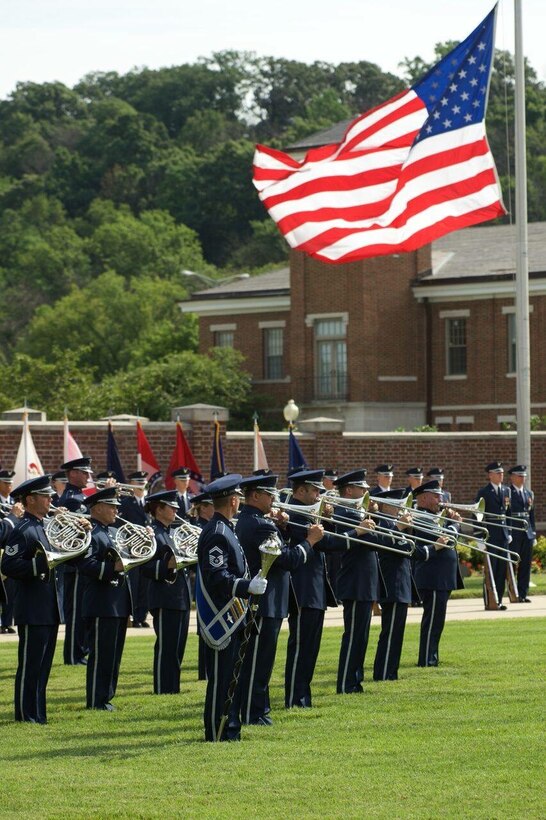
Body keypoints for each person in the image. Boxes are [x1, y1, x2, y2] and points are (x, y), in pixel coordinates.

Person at [235, 471, 323, 725]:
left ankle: (257, 709)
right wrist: (310, 541)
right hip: (266, 601)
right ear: (255, 496)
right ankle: (255, 713)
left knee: (260, 661)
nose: (274, 497)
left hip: (267, 600)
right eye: (269, 493)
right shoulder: (260, 524)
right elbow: (287, 559)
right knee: (259, 662)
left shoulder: (255, 521)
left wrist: (282, 528)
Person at [195, 474, 268, 742]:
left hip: (235, 616)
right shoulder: (217, 533)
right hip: (221, 617)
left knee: (232, 678)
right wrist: (246, 585)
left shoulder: (226, 529)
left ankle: (231, 728)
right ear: (235, 501)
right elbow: (217, 578)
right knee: (222, 680)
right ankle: (218, 731)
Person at [284, 469, 361, 708]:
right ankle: (295, 699)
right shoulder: (297, 514)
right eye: (315, 490)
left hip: (314, 588)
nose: (320, 495)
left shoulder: (308, 514)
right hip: (302, 589)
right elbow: (325, 543)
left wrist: (325, 520)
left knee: (310, 648)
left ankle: (302, 697)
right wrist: (356, 532)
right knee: (301, 647)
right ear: (301, 491)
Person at [1, 475, 60, 723]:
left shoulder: (45, 526)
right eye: (45, 496)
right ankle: (26, 714)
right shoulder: (22, 529)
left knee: (44, 666)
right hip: (32, 606)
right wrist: (37, 566)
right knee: (30, 665)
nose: (50, 500)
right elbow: (9, 564)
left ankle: (38, 713)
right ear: (30, 499)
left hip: (48, 605)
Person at [76, 486, 132, 711]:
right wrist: (113, 567)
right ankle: (96, 700)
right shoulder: (91, 532)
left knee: (113, 656)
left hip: (116, 602)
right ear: (97, 508)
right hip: (101, 603)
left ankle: (106, 698)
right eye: (112, 507)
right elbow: (85, 565)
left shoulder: (111, 532)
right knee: (101, 656)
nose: (116, 511)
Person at [332, 469, 381, 694]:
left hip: (365, 581)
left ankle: (355, 679)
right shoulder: (344, 512)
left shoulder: (358, 513)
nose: (365, 493)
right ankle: (345, 683)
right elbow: (373, 538)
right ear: (349, 490)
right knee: (353, 635)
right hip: (354, 581)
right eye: (361, 490)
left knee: (362, 635)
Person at [139, 490, 192, 694]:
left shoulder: (173, 532)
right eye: (171, 507)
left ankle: (173, 687)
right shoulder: (151, 533)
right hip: (164, 596)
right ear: (159, 509)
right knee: (166, 647)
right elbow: (145, 568)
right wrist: (167, 565)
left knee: (178, 647)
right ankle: (163, 688)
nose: (176, 510)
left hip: (181, 596)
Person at [412, 480, 463, 667]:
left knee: (437, 621)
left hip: (441, 577)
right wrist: (455, 524)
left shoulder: (435, 516)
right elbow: (444, 538)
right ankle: (427, 659)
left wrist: (451, 522)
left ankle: (432, 656)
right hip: (432, 577)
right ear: (423, 498)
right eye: (435, 496)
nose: (440, 499)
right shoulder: (421, 516)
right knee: (432, 621)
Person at [372, 489, 418, 681]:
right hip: (391, 583)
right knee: (390, 632)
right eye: (396, 505)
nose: (400, 508)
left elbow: (409, 547)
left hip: (402, 583)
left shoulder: (395, 525)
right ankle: (383, 672)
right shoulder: (382, 523)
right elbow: (387, 545)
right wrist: (399, 528)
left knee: (397, 633)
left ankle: (391, 671)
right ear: (385, 505)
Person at [59, 455, 94, 665]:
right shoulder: (72, 499)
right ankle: (73, 654)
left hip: (81, 563)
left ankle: (80, 651)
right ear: (73, 474)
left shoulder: (79, 496)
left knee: (83, 611)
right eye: (84, 473)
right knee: (76, 613)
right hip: (75, 563)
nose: (88, 476)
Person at [475, 461, 511, 611]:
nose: (501, 475)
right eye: (498, 473)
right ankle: (489, 600)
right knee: (491, 569)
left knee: (501, 570)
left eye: (502, 472)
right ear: (490, 475)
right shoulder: (483, 492)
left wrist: (509, 532)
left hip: (503, 535)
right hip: (490, 535)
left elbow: (508, 513)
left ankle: (499, 600)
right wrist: (479, 536)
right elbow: (477, 515)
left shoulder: (506, 491)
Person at [118, 470, 151, 628]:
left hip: (147, 548)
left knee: (145, 585)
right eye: (138, 483)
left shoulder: (150, 503)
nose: (141, 485)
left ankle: (142, 615)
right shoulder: (126, 503)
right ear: (131, 485)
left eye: (143, 482)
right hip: (132, 549)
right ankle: (133, 616)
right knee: (134, 583)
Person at [507, 465, 536, 603]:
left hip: (527, 533)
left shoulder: (529, 493)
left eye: (524, 475)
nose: (522, 478)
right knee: (513, 564)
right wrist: (508, 531)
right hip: (515, 531)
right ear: (512, 477)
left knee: (526, 565)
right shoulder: (508, 492)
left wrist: (533, 532)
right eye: (519, 475)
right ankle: (513, 593)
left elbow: (531, 515)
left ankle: (523, 594)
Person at [0, 469, 23, 634]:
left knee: (11, 589)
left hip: (11, 552)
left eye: (10, 483)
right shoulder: (11, 508)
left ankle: (7, 623)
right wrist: (12, 516)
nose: (9, 486)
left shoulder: (15, 502)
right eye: (6, 483)